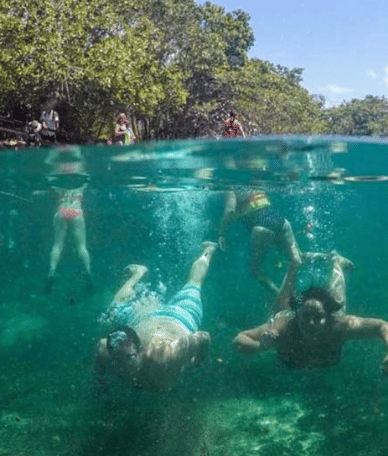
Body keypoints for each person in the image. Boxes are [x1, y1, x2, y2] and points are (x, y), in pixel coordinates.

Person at [233, 251, 388, 374]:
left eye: (319, 317)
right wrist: (260, 346)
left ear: (328, 317)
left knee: (337, 302)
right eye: (305, 316)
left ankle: (337, 263)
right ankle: (295, 265)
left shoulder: (339, 325)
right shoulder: (283, 327)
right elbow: (239, 340)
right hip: (288, 322)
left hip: (314, 344)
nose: (311, 323)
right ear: (297, 315)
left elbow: (382, 326)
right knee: (280, 308)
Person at [95, 242, 217, 391]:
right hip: (149, 318)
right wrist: (100, 379)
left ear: (141, 351)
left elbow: (204, 337)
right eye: (118, 360)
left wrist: (197, 362)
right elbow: (101, 348)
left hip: (181, 317)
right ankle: (137, 274)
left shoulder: (164, 357)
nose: (123, 366)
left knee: (195, 282)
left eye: (128, 358)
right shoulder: (108, 350)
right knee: (112, 311)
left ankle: (209, 250)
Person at [218, 188, 303, 295]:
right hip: (280, 220)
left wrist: (221, 233)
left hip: (261, 227)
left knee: (254, 269)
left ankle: (280, 297)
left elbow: (230, 210)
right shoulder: (255, 184)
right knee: (297, 259)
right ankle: (326, 257)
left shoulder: (231, 188)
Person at [44, 145, 92, 294]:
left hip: (61, 210)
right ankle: (88, 275)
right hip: (76, 211)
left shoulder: (53, 177)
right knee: (81, 247)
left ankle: (51, 273)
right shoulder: (84, 178)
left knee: (57, 245)